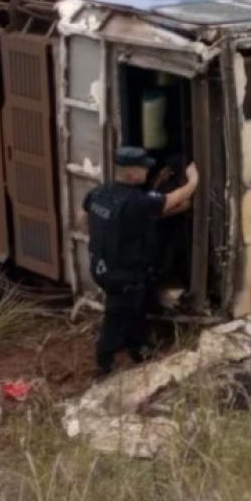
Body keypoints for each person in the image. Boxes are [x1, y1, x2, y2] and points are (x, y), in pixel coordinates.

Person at [83, 147, 199, 377]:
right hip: (123, 273)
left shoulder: (99, 192)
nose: (147, 171)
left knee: (136, 306)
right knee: (117, 316)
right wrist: (193, 180)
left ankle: (139, 349)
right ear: (131, 173)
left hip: (101, 266)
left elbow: (83, 218)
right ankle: (104, 364)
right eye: (143, 168)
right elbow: (173, 199)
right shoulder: (136, 200)